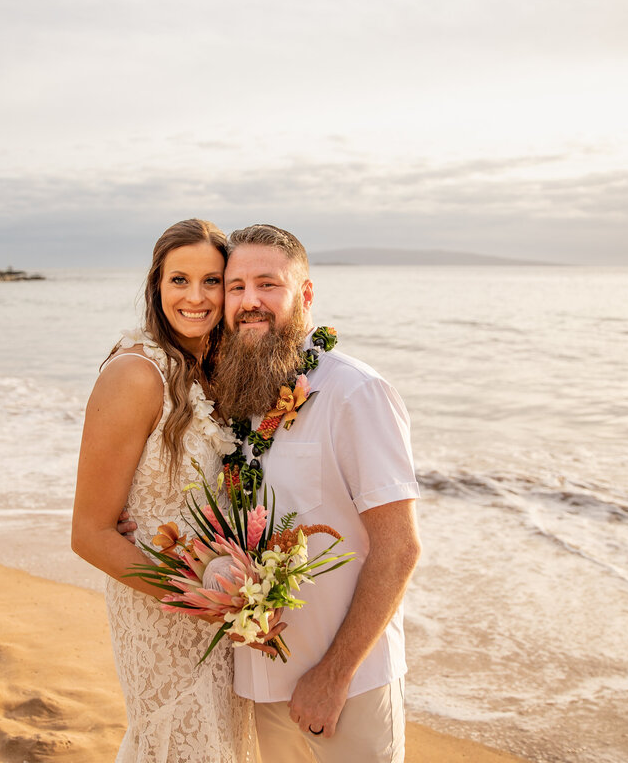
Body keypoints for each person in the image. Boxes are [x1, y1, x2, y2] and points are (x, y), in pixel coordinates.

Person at [217, 224, 421, 763]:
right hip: (261, 683)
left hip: (344, 688)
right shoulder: (238, 396)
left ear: (305, 295)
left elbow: (399, 547)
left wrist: (333, 675)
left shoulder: (356, 392)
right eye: (235, 287)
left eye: (268, 284)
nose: (249, 301)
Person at [71, 218, 255, 763]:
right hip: (161, 608)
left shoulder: (219, 373)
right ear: (156, 286)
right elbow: (89, 533)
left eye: (212, 281)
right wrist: (196, 598)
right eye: (179, 280)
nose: (195, 297)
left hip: (222, 606)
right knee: (177, 741)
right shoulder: (135, 374)